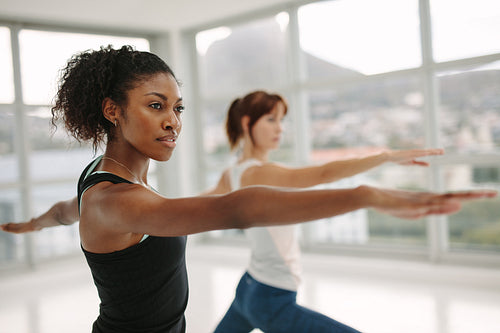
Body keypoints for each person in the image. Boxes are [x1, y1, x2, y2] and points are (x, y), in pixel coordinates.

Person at [0, 46, 496, 333]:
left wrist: (37, 222)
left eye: (178, 108)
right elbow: (239, 207)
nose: (173, 122)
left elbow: (71, 209)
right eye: (156, 106)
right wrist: (364, 195)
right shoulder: (119, 200)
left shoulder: (103, 180)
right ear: (112, 110)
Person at [204, 91, 469, 332]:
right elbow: (324, 173)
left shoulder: (233, 173)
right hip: (271, 298)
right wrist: (384, 157)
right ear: (247, 123)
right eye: (271, 120)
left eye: (281, 120)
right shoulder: (260, 172)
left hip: (249, 287)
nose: (280, 129)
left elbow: (198, 202)